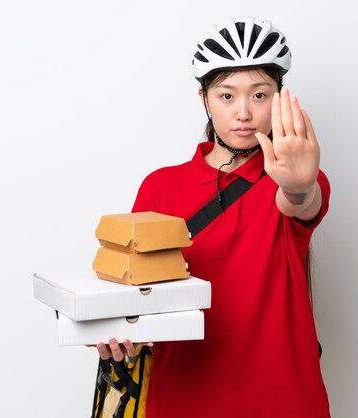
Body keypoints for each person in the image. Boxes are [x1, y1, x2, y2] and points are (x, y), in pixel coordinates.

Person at [96, 16, 331, 417]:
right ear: (203, 97)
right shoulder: (160, 187)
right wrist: (122, 337)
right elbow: (136, 294)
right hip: (182, 400)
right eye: (227, 96)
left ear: (280, 97)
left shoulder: (292, 180)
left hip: (283, 401)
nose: (243, 113)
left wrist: (298, 186)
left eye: (260, 95)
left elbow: (301, 203)